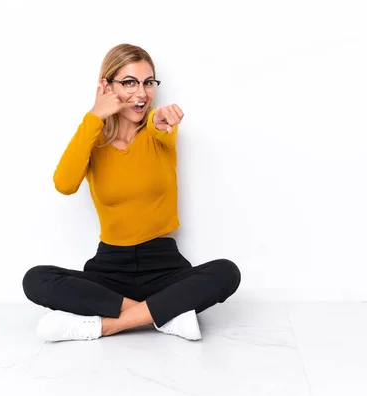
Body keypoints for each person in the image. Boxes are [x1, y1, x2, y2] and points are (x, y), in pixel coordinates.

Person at [22, 44, 241, 342]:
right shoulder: (92, 140)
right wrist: (94, 117)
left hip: (164, 267)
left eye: (148, 83)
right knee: (36, 279)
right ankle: (163, 315)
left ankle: (106, 325)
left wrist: (161, 119)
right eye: (129, 83)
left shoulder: (158, 131)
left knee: (227, 272)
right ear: (106, 86)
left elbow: (158, 122)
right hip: (109, 271)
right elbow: (64, 184)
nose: (141, 94)